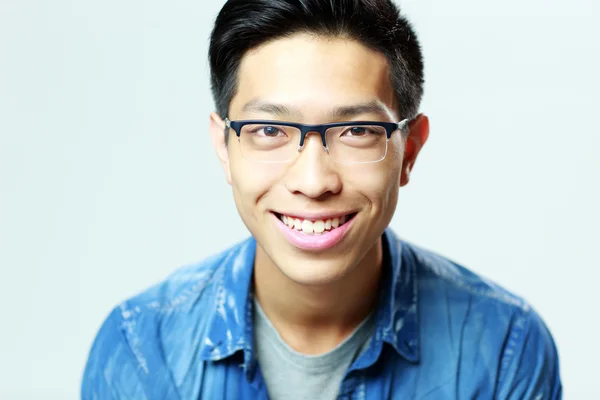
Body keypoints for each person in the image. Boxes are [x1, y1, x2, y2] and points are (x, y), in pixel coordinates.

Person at [81, 0, 562, 398]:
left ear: (410, 150)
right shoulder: (143, 348)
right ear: (223, 148)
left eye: (357, 130)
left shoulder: (504, 349)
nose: (313, 181)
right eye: (268, 129)